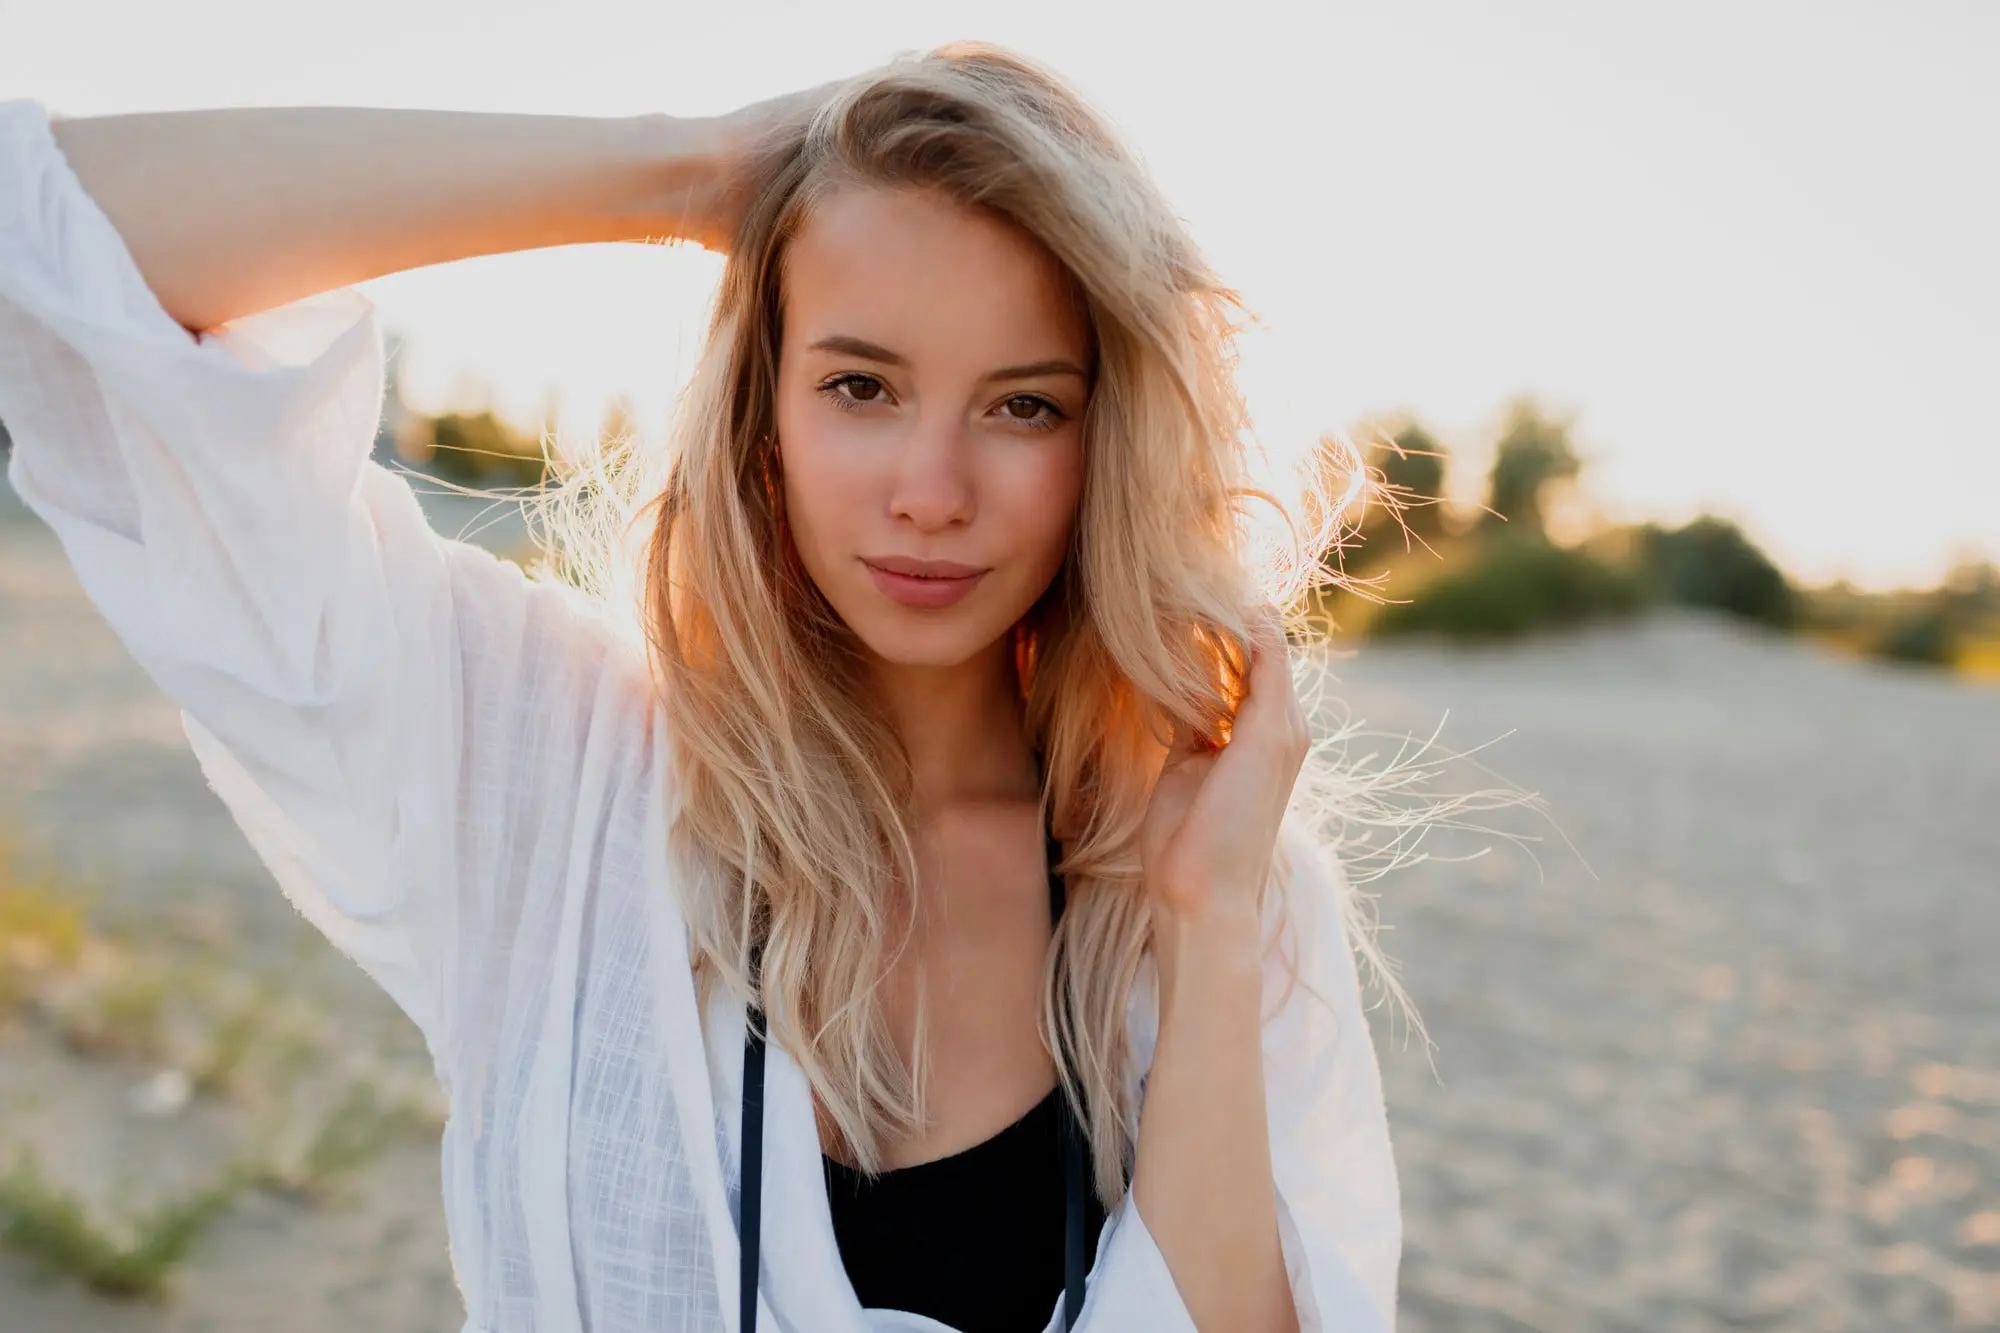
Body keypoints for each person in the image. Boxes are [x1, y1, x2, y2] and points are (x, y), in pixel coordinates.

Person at [0, 40, 1401, 1333]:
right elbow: (52, 245)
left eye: (1023, 404)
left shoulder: (1199, 885)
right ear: (762, 410)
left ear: (1109, 443)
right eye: (862, 386)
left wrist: (1208, 930)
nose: (931, 493)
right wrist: (692, 172)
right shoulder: (549, 771)